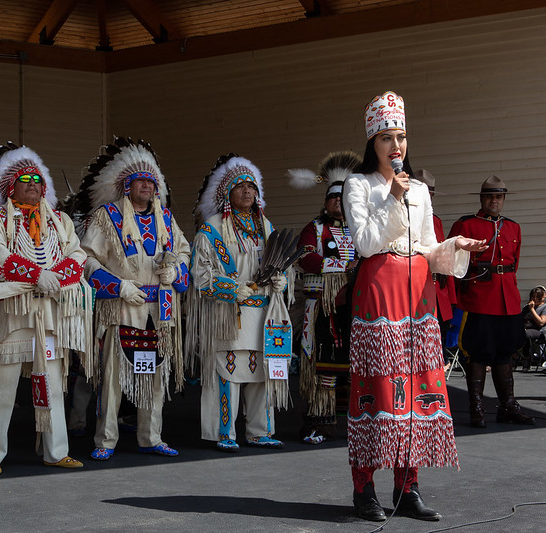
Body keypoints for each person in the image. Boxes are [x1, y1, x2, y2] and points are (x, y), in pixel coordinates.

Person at [343, 92, 486, 521]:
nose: (396, 146)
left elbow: (425, 248)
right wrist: (390, 196)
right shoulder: (359, 185)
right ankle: (364, 487)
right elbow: (366, 243)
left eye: (401, 136)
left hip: (417, 293)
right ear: (373, 144)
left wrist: (454, 245)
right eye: (386, 138)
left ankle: (408, 487)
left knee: (419, 386)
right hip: (379, 292)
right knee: (377, 388)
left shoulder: (420, 190)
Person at [0, 143, 92, 475]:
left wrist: (55, 278)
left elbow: (77, 256)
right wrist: (38, 275)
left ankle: (56, 450)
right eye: (25, 178)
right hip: (11, 316)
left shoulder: (59, 220)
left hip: (48, 315)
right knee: (0, 386)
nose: (32, 183)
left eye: (37, 178)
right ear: (11, 186)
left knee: (50, 382)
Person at [79, 137, 190, 461]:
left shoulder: (166, 219)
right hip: (123, 307)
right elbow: (87, 260)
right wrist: (117, 286)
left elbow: (184, 253)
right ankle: (106, 439)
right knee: (113, 378)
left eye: (151, 182)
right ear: (127, 186)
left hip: (160, 310)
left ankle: (151, 436)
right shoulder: (107, 216)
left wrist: (175, 272)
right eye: (141, 181)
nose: (147, 186)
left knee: (156, 377)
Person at [187, 154, 290, 452]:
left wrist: (282, 281)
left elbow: (280, 265)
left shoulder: (265, 227)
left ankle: (260, 430)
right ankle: (225, 432)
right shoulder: (213, 229)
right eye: (240, 186)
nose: (247, 191)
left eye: (251, 186)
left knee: (263, 371)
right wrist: (232, 289)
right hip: (229, 313)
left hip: (264, 314)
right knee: (228, 372)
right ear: (228, 194)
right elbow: (201, 274)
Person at [449, 176, 534, 427]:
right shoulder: (466, 225)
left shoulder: (513, 227)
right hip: (479, 297)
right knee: (478, 353)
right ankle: (477, 408)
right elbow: (452, 262)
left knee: (505, 353)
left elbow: (514, 265)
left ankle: (507, 406)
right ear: (481, 198)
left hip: (507, 297)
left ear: (504, 199)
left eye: (498, 197)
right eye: (489, 196)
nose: (493, 201)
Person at [289, 151, 361, 444]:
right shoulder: (315, 229)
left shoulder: (359, 230)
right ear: (325, 202)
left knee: (354, 364)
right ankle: (319, 419)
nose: (337, 203)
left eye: (342, 199)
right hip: (321, 307)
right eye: (333, 199)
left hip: (354, 307)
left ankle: (359, 420)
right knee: (324, 365)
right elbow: (305, 256)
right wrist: (343, 266)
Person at [416, 169, 459, 369]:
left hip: (437, 291)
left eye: (430, 194)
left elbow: (444, 261)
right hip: (413, 291)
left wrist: (450, 300)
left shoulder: (436, 221)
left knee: (437, 352)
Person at [520, 285, 546, 370]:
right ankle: (514, 356)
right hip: (525, 328)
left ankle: (527, 358)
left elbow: (541, 323)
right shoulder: (526, 308)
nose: (534, 299)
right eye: (533, 297)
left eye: (537, 297)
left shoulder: (544, 307)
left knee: (526, 334)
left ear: (542, 297)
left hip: (539, 331)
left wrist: (532, 310)